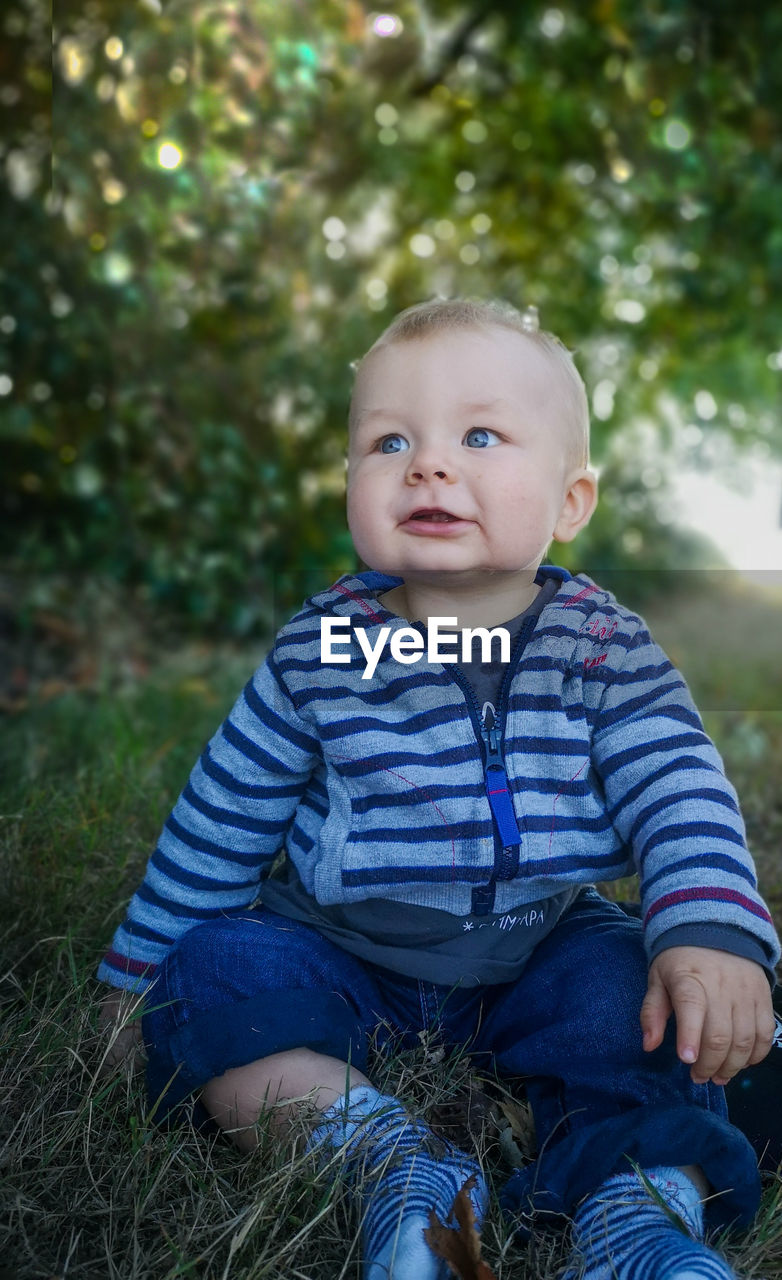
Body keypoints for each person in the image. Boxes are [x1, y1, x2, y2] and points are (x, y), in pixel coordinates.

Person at [98, 298, 779, 1280]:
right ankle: (390, 1166)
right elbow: (223, 812)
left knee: (638, 995)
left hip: (540, 944)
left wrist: (708, 931)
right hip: (343, 950)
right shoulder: (321, 652)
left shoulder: (601, 647)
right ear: (351, 483)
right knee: (211, 971)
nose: (426, 462)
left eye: (480, 434)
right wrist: (132, 981)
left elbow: (676, 786)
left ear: (570, 500)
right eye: (387, 441)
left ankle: (631, 1213)